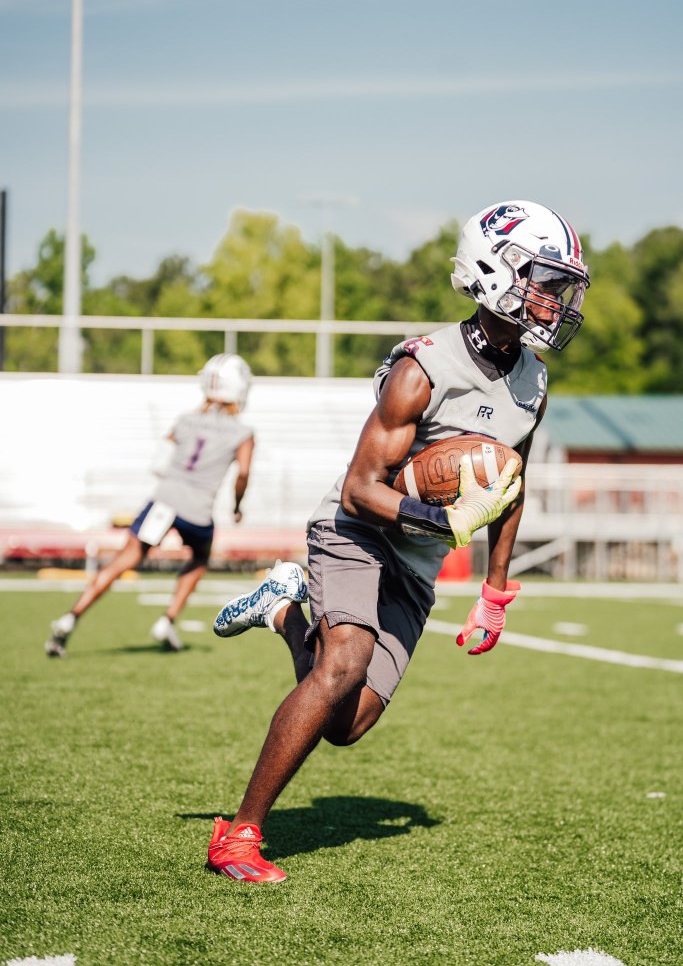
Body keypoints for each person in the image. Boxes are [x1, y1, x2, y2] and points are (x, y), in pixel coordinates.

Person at [206, 200, 590, 883]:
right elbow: (360, 488)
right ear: (493, 270)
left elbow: (510, 484)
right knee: (342, 664)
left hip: (414, 562)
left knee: (346, 724)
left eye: (559, 286)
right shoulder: (424, 366)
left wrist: (494, 591)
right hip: (355, 531)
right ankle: (238, 836)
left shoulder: (533, 381)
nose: (552, 300)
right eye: (542, 280)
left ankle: (281, 609)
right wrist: (440, 523)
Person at [45, 354, 255, 658]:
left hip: (164, 500)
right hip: (197, 510)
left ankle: (70, 617)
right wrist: (237, 506)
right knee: (199, 558)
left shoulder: (184, 420)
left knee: (123, 559)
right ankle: (168, 619)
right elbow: (244, 473)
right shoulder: (242, 432)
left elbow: (159, 461)